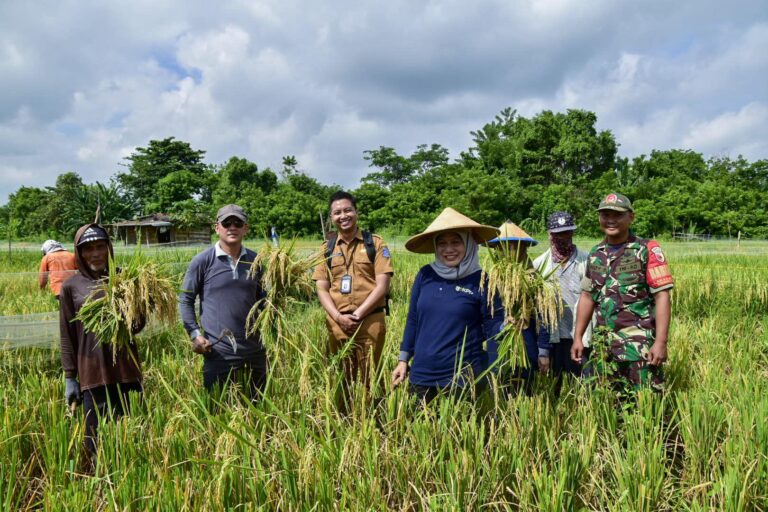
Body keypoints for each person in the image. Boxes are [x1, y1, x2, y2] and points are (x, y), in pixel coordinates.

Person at [391, 208, 503, 403]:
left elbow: (493, 323)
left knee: (461, 431)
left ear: (468, 244)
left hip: (463, 376)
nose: (448, 249)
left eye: (456, 242)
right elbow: (413, 319)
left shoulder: (483, 280)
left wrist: (506, 327)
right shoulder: (426, 274)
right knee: (419, 429)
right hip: (422, 373)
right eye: (442, 243)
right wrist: (403, 360)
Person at [571, 193, 673, 393]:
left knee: (647, 405)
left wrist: (661, 342)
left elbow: (662, 296)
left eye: (617, 215)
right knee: (610, 405)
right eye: (605, 214)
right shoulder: (596, 253)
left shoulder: (646, 249)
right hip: (604, 347)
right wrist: (578, 337)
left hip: (639, 347)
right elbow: (587, 296)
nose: (610, 220)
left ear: (631, 217)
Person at [59, 224, 143, 456]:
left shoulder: (125, 279)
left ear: (108, 248)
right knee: (95, 440)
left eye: (100, 246)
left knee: (133, 433)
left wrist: (140, 303)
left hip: (127, 370)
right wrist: (70, 377)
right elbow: (67, 335)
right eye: (88, 249)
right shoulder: (71, 287)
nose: (95, 253)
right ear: (79, 253)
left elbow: (137, 326)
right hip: (92, 374)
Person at [179, 204, 268, 399]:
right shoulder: (203, 261)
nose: (232, 227)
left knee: (259, 408)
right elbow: (186, 299)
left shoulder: (256, 261)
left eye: (238, 223)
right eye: (227, 223)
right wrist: (194, 334)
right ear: (217, 227)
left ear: (246, 228)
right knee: (219, 411)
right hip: (219, 352)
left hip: (255, 351)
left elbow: (264, 301)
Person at [313, 191, 393, 399]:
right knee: (342, 377)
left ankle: (376, 424)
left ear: (356, 212)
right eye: (337, 212)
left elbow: (382, 285)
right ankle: (344, 421)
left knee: (372, 378)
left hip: (370, 320)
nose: (343, 215)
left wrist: (357, 315)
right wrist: (339, 317)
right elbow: (321, 287)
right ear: (331, 218)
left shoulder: (374, 244)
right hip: (338, 322)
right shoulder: (327, 249)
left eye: (348, 210)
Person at [485, 221, 550, 395]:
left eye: (514, 246)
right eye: (503, 246)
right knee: (498, 391)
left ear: (524, 249)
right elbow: (482, 315)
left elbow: (544, 316)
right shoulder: (488, 279)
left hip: (527, 344)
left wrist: (543, 350)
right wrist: (502, 325)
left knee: (525, 390)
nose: (508, 251)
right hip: (497, 344)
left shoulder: (534, 279)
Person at [533, 212, 592, 384]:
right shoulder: (539, 265)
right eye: (557, 233)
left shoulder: (586, 261)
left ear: (572, 233)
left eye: (566, 233)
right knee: (554, 387)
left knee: (584, 386)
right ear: (550, 234)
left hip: (581, 337)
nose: (562, 237)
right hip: (553, 338)